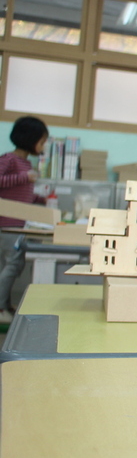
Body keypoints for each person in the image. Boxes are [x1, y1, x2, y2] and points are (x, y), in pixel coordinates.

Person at [0, 116, 48, 323]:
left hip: (19, 224)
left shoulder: (25, 162)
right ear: (30, 139)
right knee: (12, 266)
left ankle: (4, 304)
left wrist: (39, 199)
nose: (43, 146)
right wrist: (24, 178)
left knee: (12, 266)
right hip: (8, 225)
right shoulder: (9, 159)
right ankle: (0, 309)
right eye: (42, 141)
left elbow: (20, 193)